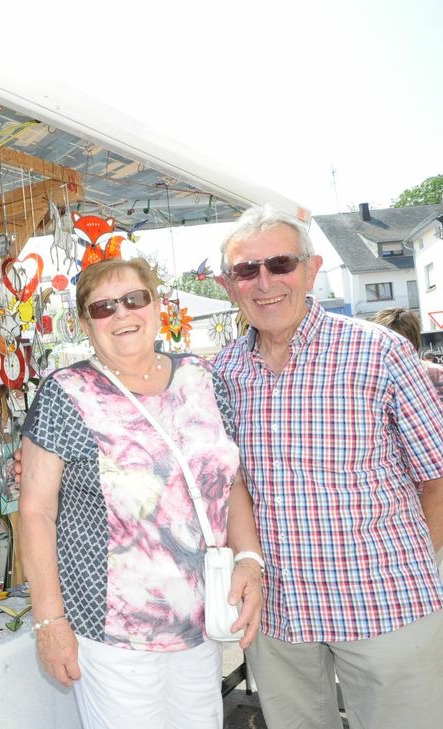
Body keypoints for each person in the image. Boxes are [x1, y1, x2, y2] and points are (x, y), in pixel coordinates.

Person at [214, 205, 443, 729]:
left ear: (312, 269)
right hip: (279, 616)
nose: (264, 282)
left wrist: (410, 566)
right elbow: (222, 481)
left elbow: (438, 476)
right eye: (246, 270)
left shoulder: (378, 352)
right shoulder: (221, 371)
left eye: (280, 264)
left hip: (386, 606)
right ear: (230, 285)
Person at [19, 256, 263, 729]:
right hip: (112, 631)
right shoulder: (66, 393)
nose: (123, 314)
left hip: (200, 623)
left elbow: (229, 480)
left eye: (134, 299)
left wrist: (250, 558)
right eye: (104, 307)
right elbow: (36, 513)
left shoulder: (202, 378)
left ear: (157, 305)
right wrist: (49, 622)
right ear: (86, 324)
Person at [370, 306, 443, 401]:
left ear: (414, 344)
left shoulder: (437, 375)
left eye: (397, 344)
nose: (389, 350)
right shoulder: (371, 381)